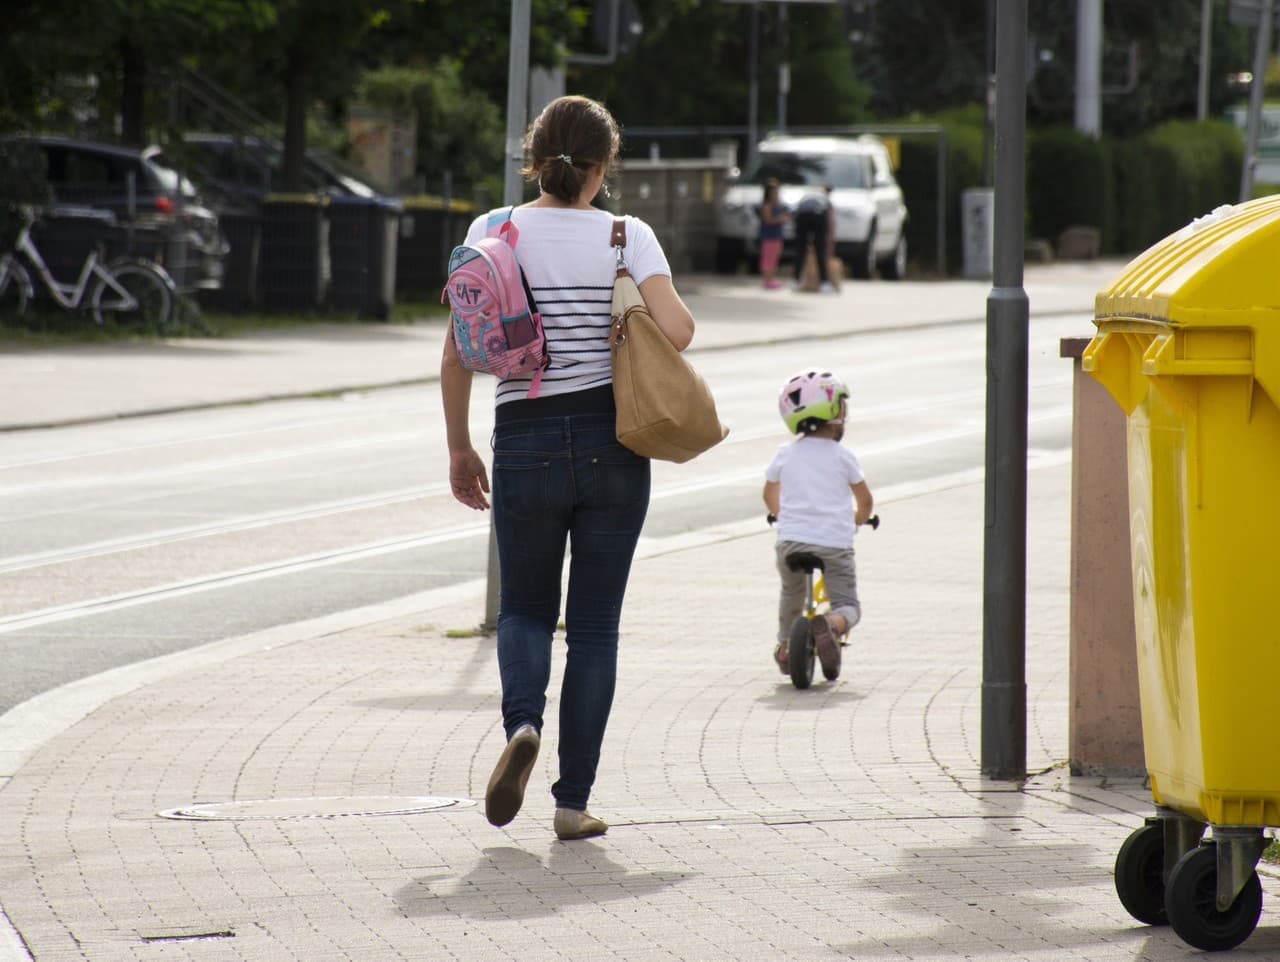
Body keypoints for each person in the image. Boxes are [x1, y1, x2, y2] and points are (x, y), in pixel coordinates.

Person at [441, 95, 695, 841]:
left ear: (535, 156)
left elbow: (457, 350)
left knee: (523, 608)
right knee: (593, 631)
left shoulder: (493, 231)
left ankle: (523, 723)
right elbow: (678, 331)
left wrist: (460, 447)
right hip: (613, 443)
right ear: (602, 166)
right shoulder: (627, 235)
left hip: (520, 439)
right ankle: (572, 803)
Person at [763, 369, 874, 679]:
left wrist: (781, 516)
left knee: (791, 594)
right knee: (848, 605)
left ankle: (786, 645)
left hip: (791, 542)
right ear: (834, 414)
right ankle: (831, 624)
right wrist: (856, 520)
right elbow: (865, 502)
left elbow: (770, 495)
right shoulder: (844, 456)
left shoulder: (784, 454)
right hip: (834, 544)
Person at [792, 184, 835, 293]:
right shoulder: (825, 198)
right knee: (820, 249)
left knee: (801, 249)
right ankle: (824, 283)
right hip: (818, 214)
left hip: (802, 216)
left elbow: (797, 211)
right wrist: (830, 240)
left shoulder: (808, 194)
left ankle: (796, 281)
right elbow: (830, 220)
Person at [757, 178, 788, 289]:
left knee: (774, 258)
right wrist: (780, 219)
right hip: (769, 235)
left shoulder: (777, 205)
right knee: (768, 258)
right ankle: (767, 280)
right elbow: (767, 220)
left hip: (777, 235)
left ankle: (772, 278)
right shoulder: (766, 205)